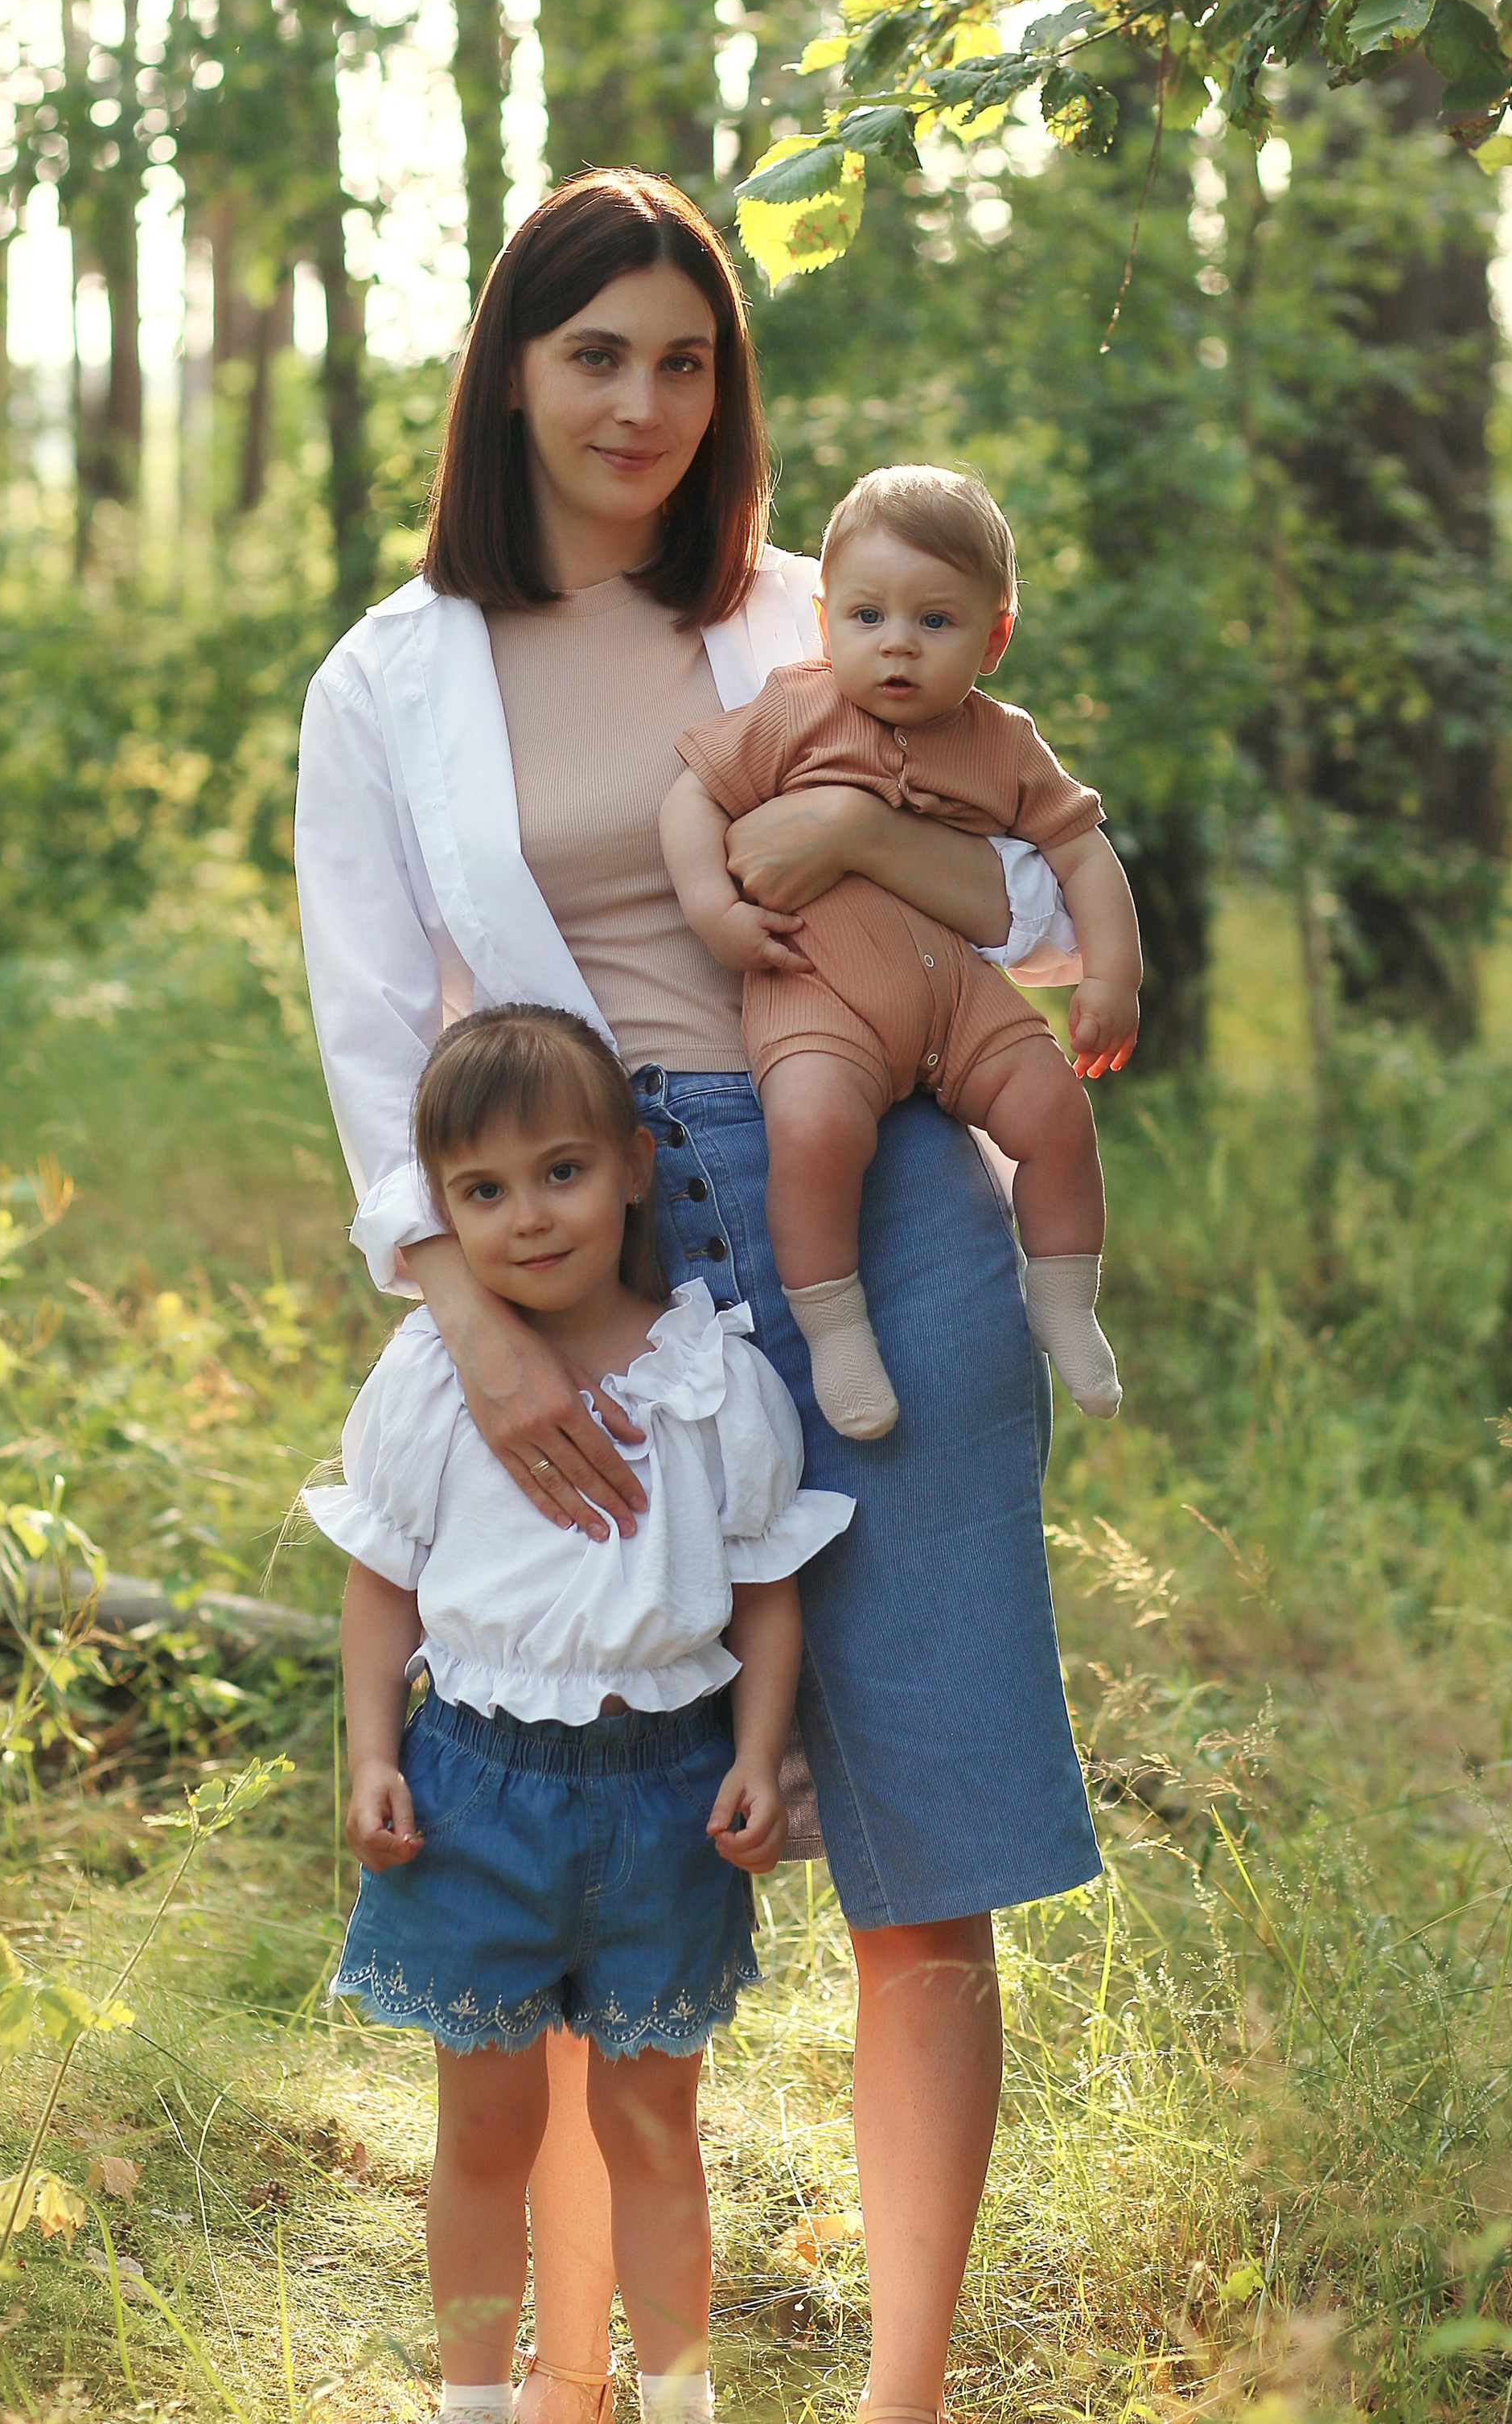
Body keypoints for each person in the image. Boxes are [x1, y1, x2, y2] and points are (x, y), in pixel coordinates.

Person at [295, 167, 1103, 2424]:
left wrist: (854, 841)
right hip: (592, 1256)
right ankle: (570, 2397)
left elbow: (1037, 916)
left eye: (687, 359)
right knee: (575, 1818)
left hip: (888, 1203)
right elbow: (377, 1044)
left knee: (917, 1850)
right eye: (596, 354)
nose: (645, 402)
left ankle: (903, 2400)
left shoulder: (812, 618)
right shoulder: (389, 675)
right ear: (511, 374)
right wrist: (470, 1312)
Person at [306, 1003, 851, 2418]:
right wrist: (373, 1754)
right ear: (439, 1212)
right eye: (481, 1192)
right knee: (483, 2127)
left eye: (559, 1171)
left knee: (653, 2125)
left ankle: (677, 2396)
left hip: (665, 1799)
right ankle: (476, 2402)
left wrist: (754, 1754)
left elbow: (764, 1592)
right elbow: (382, 1589)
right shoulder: (433, 1381)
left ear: (627, 1168)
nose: (527, 1218)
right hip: (472, 1792)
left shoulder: (712, 1381)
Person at [660, 463, 1140, 1440]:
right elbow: (692, 798)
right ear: (826, 617)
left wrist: (1113, 977)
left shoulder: (1003, 743)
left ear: (994, 638)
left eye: (935, 623)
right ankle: (836, 1330)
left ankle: (1065, 1298)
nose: (897, 648)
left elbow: (1084, 853)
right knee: (811, 1131)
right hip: (816, 991)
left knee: (1054, 1110)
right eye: (869, 617)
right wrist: (714, 912)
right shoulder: (794, 711)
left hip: (962, 1002)